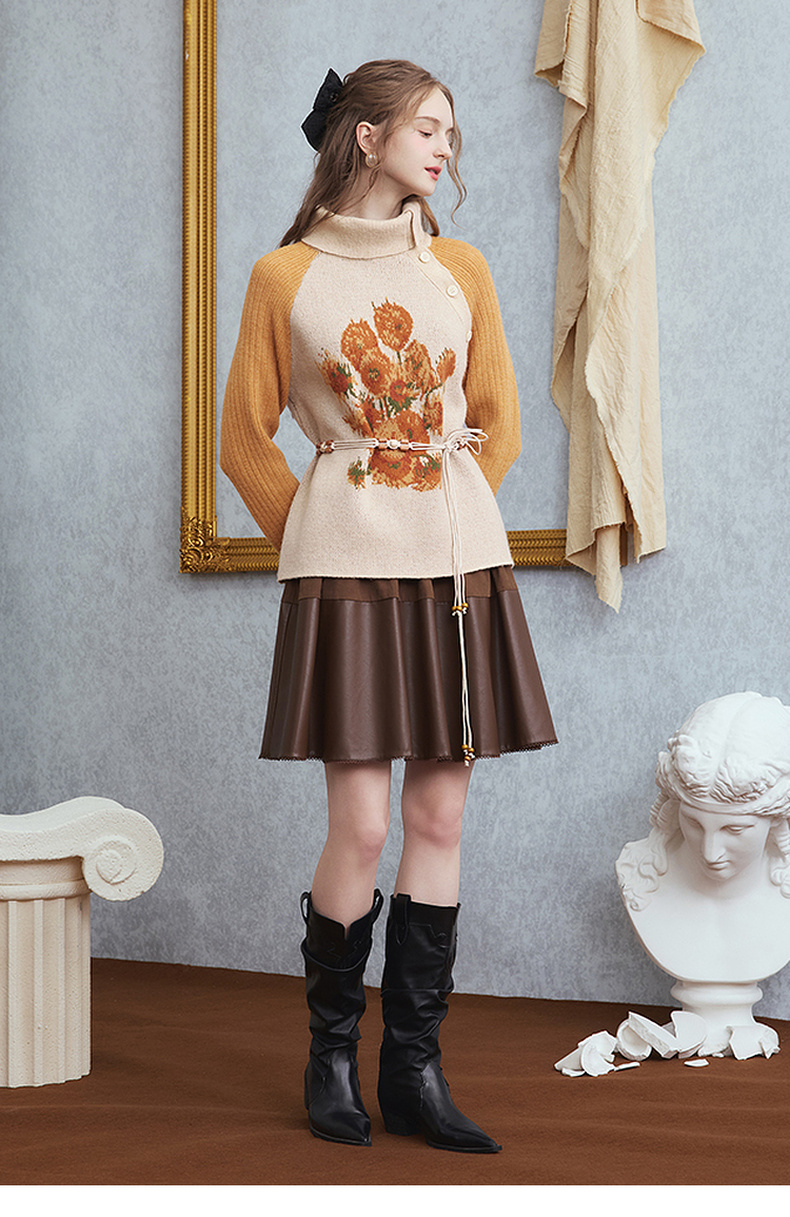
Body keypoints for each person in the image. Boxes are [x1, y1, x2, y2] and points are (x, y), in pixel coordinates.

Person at [220, 60, 556, 1154]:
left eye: (451, 131)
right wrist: (324, 535)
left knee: (440, 818)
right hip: (348, 578)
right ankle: (330, 1055)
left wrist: (438, 508)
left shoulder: (461, 268)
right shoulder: (284, 276)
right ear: (365, 136)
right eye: (428, 127)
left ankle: (413, 1069)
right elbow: (242, 440)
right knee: (361, 824)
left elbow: (499, 421)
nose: (446, 147)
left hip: (455, 569)